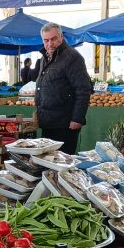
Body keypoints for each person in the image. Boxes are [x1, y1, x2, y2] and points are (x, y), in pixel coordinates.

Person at [34, 22, 91, 154]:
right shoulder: (45, 58)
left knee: (62, 161)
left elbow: (83, 90)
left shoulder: (72, 57)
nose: (50, 44)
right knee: (47, 160)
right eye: (46, 40)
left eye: (53, 39)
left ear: (61, 37)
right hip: (48, 122)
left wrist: (77, 119)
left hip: (65, 124)